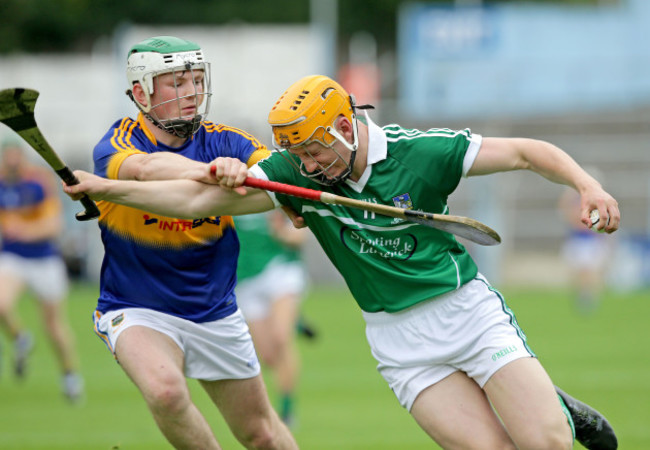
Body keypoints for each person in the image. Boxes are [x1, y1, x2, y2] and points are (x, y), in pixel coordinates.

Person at [65, 74, 621, 449]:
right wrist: (107, 187)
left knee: (545, 443)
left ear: (345, 127)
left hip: (468, 316)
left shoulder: (419, 154)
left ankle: (556, 410)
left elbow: (526, 152)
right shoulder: (294, 174)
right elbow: (196, 200)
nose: (305, 163)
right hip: (400, 344)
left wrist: (586, 185)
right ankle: (543, 398)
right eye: (297, 152)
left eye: (313, 150)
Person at [76, 36, 297, 449]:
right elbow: (143, 169)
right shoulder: (117, 143)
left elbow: (280, 173)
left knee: (262, 434)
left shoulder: (228, 140)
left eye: (196, 80)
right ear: (141, 92)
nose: (192, 92)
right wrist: (210, 171)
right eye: (177, 83)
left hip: (213, 308)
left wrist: (260, 175)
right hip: (136, 306)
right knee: (166, 392)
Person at [0, 140, 84, 402]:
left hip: (44, 259)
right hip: (13, 257)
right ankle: (21, 338)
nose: (12, 163)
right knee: (1, 304)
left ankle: (70, 375)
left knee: (54, 326)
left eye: (16, 158)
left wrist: (23, 231)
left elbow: (53, 226)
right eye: (8, 159)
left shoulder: (38, 183)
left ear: (22, 159)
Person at [234, 209, 311, 426]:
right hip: (245, 277)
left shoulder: (272, 183)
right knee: (268, 356)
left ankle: (286, 412)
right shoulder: (223, 189)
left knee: (280, 338)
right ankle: (294, 321)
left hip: (280, 269)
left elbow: (299, 236)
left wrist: (280, 231)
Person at [558, 169, 614, 314]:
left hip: (591, 240)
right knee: (579, 272)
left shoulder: (595, 201)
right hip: (577, 239)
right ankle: (583, 298)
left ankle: (589, 299)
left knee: (590, 271)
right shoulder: (575, 200)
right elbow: (568, 215)